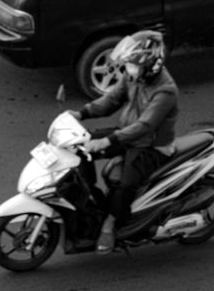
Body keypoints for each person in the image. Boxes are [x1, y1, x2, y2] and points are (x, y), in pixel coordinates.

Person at [70, 30, 179, 253]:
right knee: (79, 149)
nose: (128, 70)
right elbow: (111, 100)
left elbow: (144, 127)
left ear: (152, 65)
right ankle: (91, 200)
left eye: (133, 65)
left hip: (150, 146)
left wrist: (107, 142)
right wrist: (82, 114)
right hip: (126, 134)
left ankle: (110, 224)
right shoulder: (135, 76)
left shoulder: (165, 91)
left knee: (125, 184)